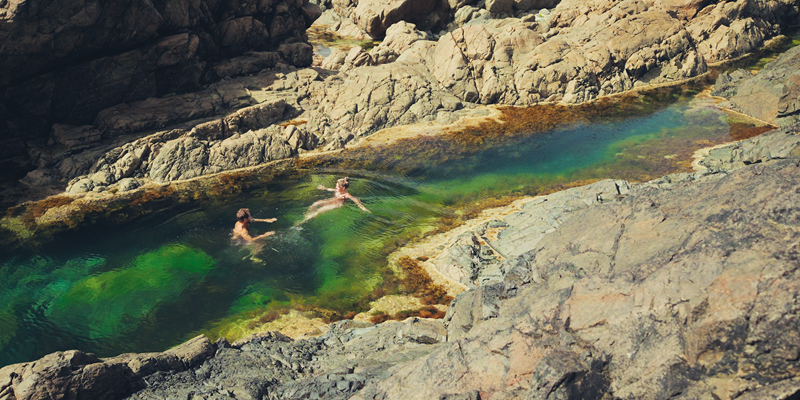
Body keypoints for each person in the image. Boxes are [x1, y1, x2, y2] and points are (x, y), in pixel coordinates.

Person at [304, 177, 370, 221]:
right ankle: (308, 214)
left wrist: (364, 208)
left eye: (337, 186)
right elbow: (331, 189)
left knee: (319, 210)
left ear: (343, 188)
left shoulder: (346, 195)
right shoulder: (338, 190)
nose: (336, 187)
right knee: (316, 203)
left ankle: (304, 221)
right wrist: (325, 188)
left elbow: (356, 200)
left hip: (338, 204)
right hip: (332, 200)